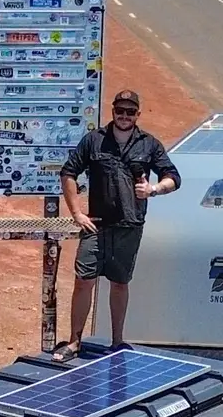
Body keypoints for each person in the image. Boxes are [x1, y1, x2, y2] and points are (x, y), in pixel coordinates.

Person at [55, 89, 180, 359]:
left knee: (120, 283)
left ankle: (117, 342)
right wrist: (77, 213)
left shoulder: (149, 144)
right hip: (96, 225)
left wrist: (153, 189)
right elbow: (68, 173)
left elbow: (173, 177)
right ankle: (74, 342)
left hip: (129, 225)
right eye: (119, 111)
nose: (124, 116)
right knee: (83, 281)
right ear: (113, 111)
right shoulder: (94, 141)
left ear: (138, 114)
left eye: (130, 112)